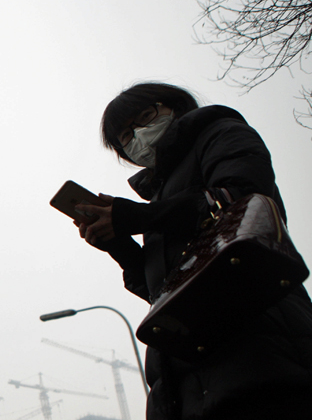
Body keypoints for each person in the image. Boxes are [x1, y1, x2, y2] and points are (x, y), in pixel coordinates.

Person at [74, 83, 312, 420]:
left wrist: (137, 218)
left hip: (261, 357)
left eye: (145, 116)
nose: (138, 136)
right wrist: (121, 247)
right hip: (185, 386)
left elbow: (241, 196)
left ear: (174, 105)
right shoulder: (161, 196)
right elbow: (166, 292)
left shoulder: (219, 132)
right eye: (125, 138)